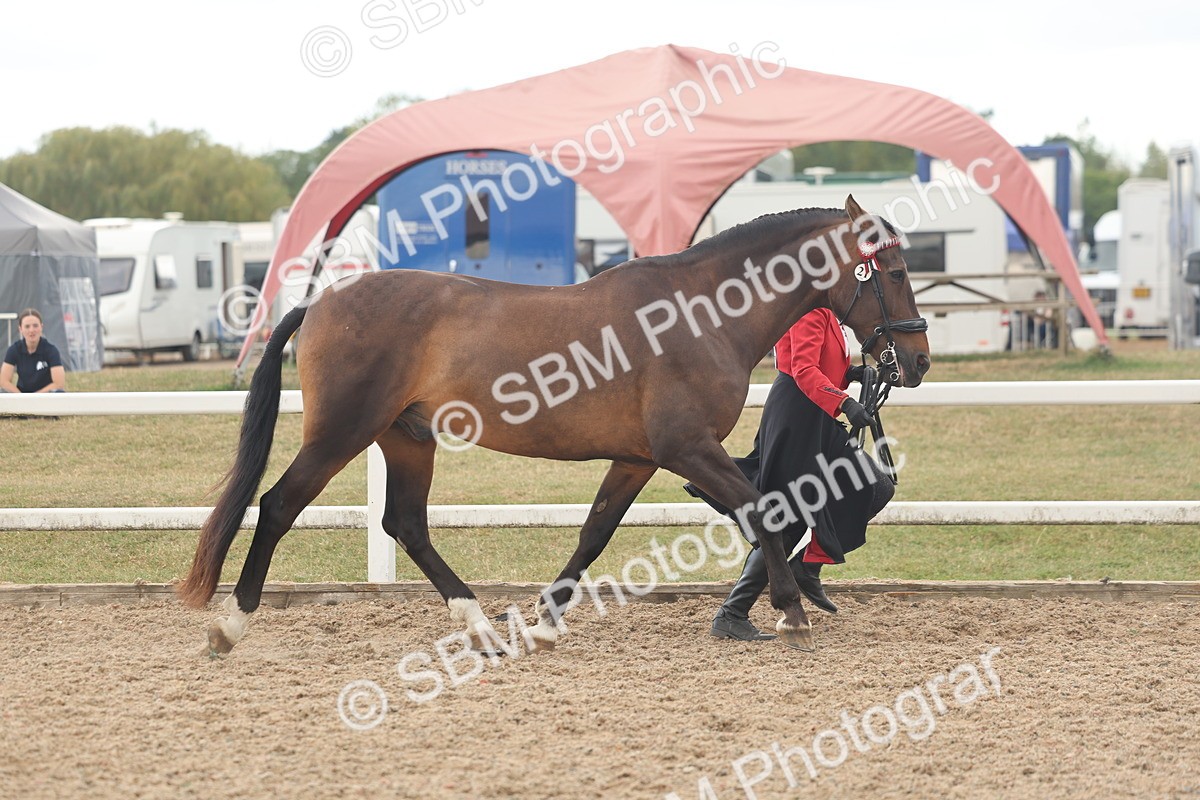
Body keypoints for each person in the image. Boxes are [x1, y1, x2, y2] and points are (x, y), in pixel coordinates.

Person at [685, 307, 895, 641]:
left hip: (815, 418)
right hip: (797, 418)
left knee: (875, 488)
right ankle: (734, 612)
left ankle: (805, 569)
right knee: (791, 517)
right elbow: (802, 369)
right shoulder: (807, 310)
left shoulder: (827, 311)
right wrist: (845, 403)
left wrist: (853, 375)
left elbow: (822, 365)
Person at [1, 308, 67, 394]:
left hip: (45, 397)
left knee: (59, 392)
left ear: (41, 327)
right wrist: (21, 398)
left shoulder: (51, 350)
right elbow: (3, 381)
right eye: (27, 326)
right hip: (21, 397)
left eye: (35, 326)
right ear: (20, 329)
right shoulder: (14, 350)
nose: (31, 330)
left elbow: (59, 384)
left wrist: (35, 398)